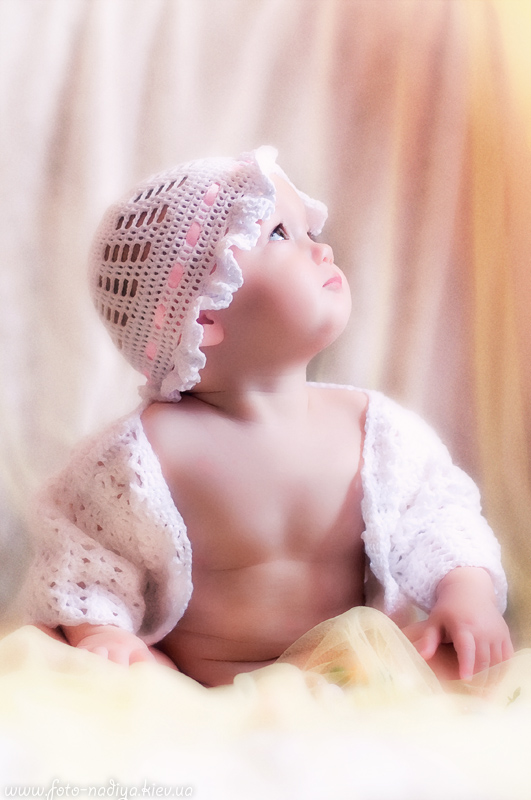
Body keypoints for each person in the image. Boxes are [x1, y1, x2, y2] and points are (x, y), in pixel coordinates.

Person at [25, 147, 513, 688]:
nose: (322, 249)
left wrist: (464, 592)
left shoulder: (376, 431)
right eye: (280, 234)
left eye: (309, 231)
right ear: (204, 314)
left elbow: (439, 515)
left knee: (455, 662)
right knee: (99, 672)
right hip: (199, 690)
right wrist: (101, 632)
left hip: (358, 675)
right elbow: (85, 556)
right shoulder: (144, 454)